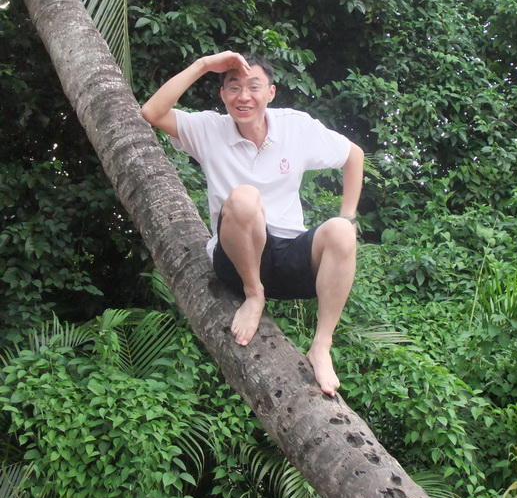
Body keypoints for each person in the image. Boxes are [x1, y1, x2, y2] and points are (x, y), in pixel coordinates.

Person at [141, 50, 364, 397]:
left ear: (271, 93)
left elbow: (353, 155)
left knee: (341, 230)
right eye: (234, 87)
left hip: (290, 259)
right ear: (223, 94)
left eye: (253, 87)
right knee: (244, 197)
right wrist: (204, 65)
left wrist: (348, 215)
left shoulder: (295, 127)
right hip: (238, 260)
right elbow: (152, 112)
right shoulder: (208, 129)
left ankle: (322, 346)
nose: (243, 96)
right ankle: (254, 295)